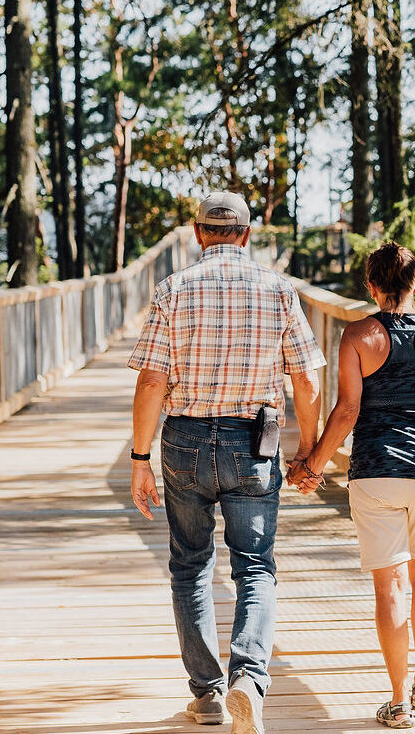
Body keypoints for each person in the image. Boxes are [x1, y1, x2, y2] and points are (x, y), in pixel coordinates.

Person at [128, 191, 324, 734]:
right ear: (247, 233)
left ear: (198, 234)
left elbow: (151, 381)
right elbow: (307, 380)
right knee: (255, 566)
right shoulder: (278, 290)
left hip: (185, 442)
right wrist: (309, 451)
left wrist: (140, 458)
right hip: (253, 442)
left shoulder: (173, 289)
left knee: (191, 565)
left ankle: (208, 694)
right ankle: (249, 681)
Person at [292, 242, 415, 730]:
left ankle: (398, 702)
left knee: (391, 583)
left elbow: (348, 410)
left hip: (376, 471)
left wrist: (313, 465)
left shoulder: (358, 336)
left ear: (372, 286)